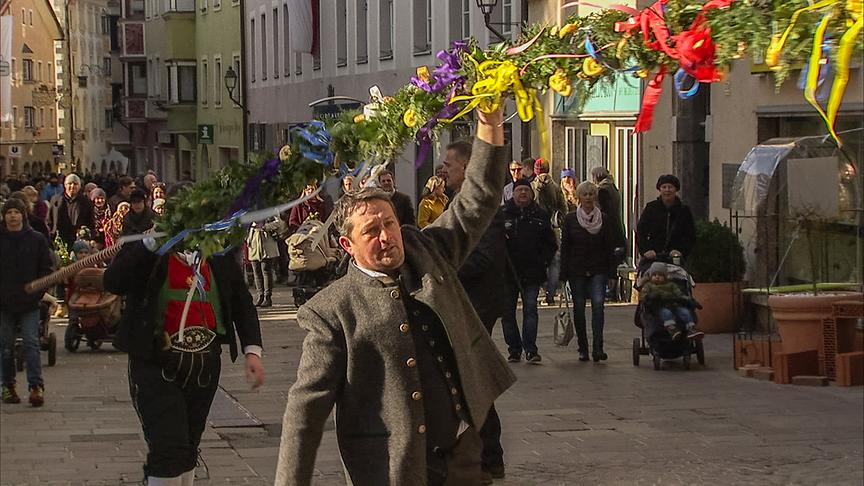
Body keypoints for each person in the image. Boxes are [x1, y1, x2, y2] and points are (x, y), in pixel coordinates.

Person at [275, 109, 515, 486]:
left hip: (463, 453)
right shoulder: (332, 312)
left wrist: (490, 127)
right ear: (347, 245)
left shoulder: (427, 249)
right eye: (372, 230)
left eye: (389, 223)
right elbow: (304, 413)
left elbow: (477, 200)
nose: (386, 236)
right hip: (392, 468)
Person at [446, 139, 511, 482]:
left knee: (475, 383)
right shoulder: (457, 202)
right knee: (471, 383)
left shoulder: (484, 209)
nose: (443, 168)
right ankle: (484, 455)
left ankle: (487, 456)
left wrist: (441, 264)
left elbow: (483, 258)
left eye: (449, 163)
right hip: (465, 305)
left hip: (478, 307)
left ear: (469, 168)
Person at [0, 198, 54, 407]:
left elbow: (46, 268)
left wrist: (39, 291)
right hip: (3, 302)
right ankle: (8, 385)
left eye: (16, 212)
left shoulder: (36, 239)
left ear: (23, 215)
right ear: (4, 216)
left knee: (32, 343)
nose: (13, 216)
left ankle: (35, 387)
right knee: (5, 346)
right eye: (9, 212)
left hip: (30, 302)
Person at [500, 179, 557, 364]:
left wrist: (543, 261)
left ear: (532, 194)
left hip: (533, 272)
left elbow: (551, 244)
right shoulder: (503, 215)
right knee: (507, 313)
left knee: (530, 310)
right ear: (513, 193)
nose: (523, 193)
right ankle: (514, 349)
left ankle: (531, 349)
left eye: (526, 190)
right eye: (519, 190)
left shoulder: (540, 215)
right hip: (508, 273)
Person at [560, 181, 617, 362]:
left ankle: (598, 347)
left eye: (591, 194)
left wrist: (612, 274)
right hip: (576, 269)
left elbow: (610, 248)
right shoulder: (570, 219)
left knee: (598, 305)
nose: (588, 198)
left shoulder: (604, 219)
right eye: (585, 194)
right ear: (579, 197)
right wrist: (563, 274)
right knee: (579, 308)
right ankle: (583, 347)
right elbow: (566, 248)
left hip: (598, 268)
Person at [636, 174, 695, 270]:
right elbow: (641, 231)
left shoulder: (684, 211)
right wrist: (646, 250)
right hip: (653, 257)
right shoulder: (651, 208)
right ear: (660, 189)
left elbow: (690, 234)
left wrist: (681, 251)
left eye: (670, 187)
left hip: (675, 258)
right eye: (664, 187)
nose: (667, 190)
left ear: (675, 189)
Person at [639, 262, 704, 340]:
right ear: (650, 276)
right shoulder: (648, 286)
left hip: (674, 304)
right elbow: (643, 296)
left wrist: (689, 300)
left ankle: (691, 328)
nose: (657, 277)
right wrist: (649, 297)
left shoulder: (671, 285)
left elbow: (679, 294)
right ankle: (672, 329)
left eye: (660, 275)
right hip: (658, 306)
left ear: (665, 276)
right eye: (654, 275)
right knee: (666, 313)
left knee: (684, 311)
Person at [48, 173, 94, 251]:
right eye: (70, 183)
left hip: (78, 241)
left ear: (79, 186)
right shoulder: (56, 200)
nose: (72, 186)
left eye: (75, 184)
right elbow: (50, 219)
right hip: (60, 239)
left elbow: (90, 222)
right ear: (65, 185)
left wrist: (85, 232)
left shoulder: (85, 202)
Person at [245, 217, 282, 308]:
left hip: (266, 241)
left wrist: (265, 227)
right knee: (256, 271)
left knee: (266, 270)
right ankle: (260, 295)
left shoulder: (270, 207)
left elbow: (278, 223)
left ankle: (267, 297)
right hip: (253, 242)